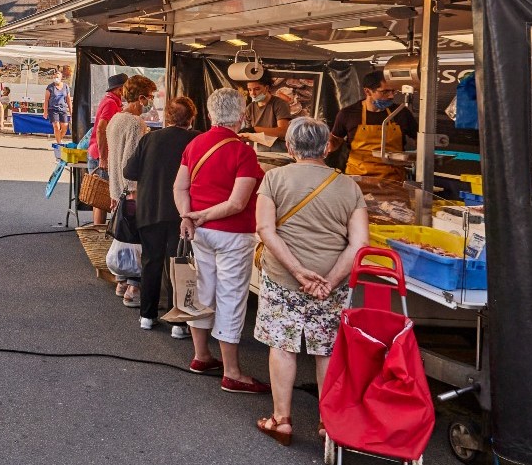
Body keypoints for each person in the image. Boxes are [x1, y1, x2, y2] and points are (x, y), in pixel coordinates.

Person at [253, 117, 369, 445]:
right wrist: (330, 280)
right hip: (330, 282)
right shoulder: (349, 186)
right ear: (327, 147)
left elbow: (266, 229)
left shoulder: (274, 178)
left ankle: (281, 420)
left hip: (283, 278)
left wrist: (296, 270)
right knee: (327, 349)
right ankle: (327, 422)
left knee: (283, 345)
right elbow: (360, 244)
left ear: (290, 147)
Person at [173, 86, 268, 394]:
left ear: (211, 114)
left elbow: (180, 188)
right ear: (241, 117)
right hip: (233, 233)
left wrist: (190, 216)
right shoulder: (243, 151)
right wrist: (203, 216)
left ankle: (201, 356)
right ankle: (232, 372)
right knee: (231, 296)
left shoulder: (196, 143)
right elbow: (238, 203)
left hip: (199, 232)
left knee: (202, 291)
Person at [125, 94, 199, 332]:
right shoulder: (197, 140)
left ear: (167, 116)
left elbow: (130, 171)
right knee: (180, 264)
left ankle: (147, 316)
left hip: (149, 210)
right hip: (182, 213)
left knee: (151, 262)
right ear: (192, 117)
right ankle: (179, 322)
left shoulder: (150, 139)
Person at [105, 74, 157, 304]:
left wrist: (117, 191)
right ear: (141, 97)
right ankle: (133, 289)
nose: (151, 102)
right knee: (136, 239)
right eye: (151, 97)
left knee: (123, 236)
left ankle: (121, 282)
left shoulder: (116, 118)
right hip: (131, 191)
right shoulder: (136, 124)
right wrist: (134, 191)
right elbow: (131, 162)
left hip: (116, 188)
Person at [331, 69, 417, 181]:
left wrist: (418, 156)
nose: (391, 96)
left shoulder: (401, 113)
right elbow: (335, 140)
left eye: (393, 91)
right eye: (385, 92)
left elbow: (419, 139)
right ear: (367, 92)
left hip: (393, 180)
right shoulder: (348, 114)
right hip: (357, 179)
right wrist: (328, 144)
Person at [85, 73, 128, 231]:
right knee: (102, 199)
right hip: (100, 155)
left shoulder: (113, 102)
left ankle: (98, 232)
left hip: (99, 153)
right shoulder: (110, 103)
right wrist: (103, 158)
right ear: (119, 89)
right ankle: (98, 234)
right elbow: (101, 130)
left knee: (100, 200)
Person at [240, 75, 294, 145]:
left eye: (257, 89)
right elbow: (248, 134)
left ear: (266, 88)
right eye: (250, 90)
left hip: (278, 147)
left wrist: (254, 129)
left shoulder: (279, 104)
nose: (253, 94)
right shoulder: (250, 108)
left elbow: (283, 131)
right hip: (257, 147)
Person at [45, 69, 71, 143]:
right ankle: (59, 143)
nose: (56, 78)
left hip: (63, 109)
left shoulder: (66, 86)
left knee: (65, 127)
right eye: (55, 77)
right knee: (56, 126)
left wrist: (71, 111)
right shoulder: (50, 87)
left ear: (61, 77)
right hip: (53, 109)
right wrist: (45, 111)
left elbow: (68, 100)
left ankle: (58, 139)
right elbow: (46, 100)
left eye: (58, 77)